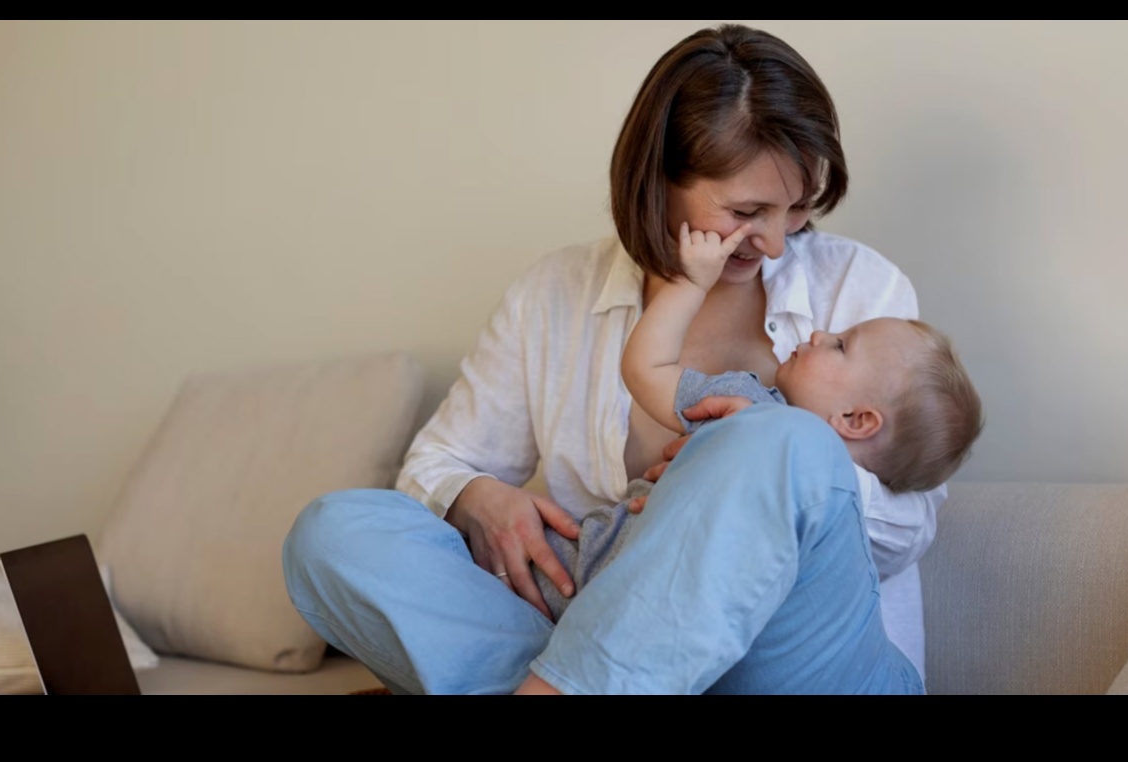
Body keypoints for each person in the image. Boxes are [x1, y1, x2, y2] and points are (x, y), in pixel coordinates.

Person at [283, 23, 956, 693]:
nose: (776, 242)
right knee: (334, 534)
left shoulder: (862, 291)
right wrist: (475, 499)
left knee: (780, 440)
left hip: (796, 664)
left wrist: (745, 479)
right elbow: (434, 466)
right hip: (596, 625)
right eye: (748, 211)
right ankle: (592, 674)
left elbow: (909, 525)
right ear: (661, 179)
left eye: (798, 208)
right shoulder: (552, 295)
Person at [532, 222, 984, 625]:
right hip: (604, 582)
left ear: (856, 419)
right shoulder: (745, 404)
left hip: (609, 584)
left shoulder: (755, 417)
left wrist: (690, 284)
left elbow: (645, 368)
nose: (819, 333)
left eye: (841, 346)